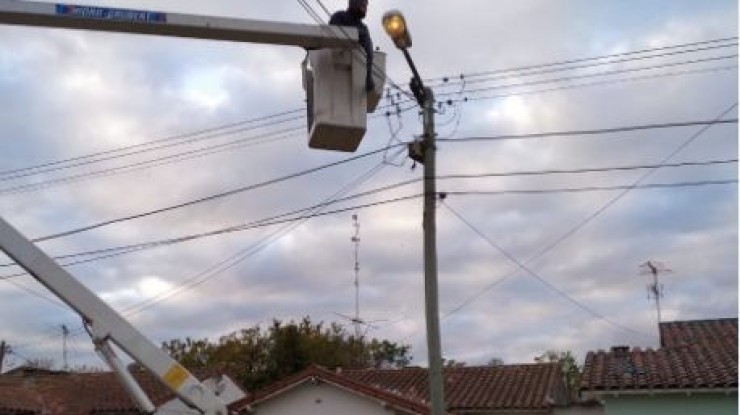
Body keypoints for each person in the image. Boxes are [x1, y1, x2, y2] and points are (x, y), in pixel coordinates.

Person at [330, 0, 375, 92]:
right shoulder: (339, 16)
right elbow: (329, 36)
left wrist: (369, 77)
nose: (365, 8)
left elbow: (369, 52)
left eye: (366, 5)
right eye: (362, 4)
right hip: (332, 64)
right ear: (353, 3)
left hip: (353, 69)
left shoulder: (363, 28)